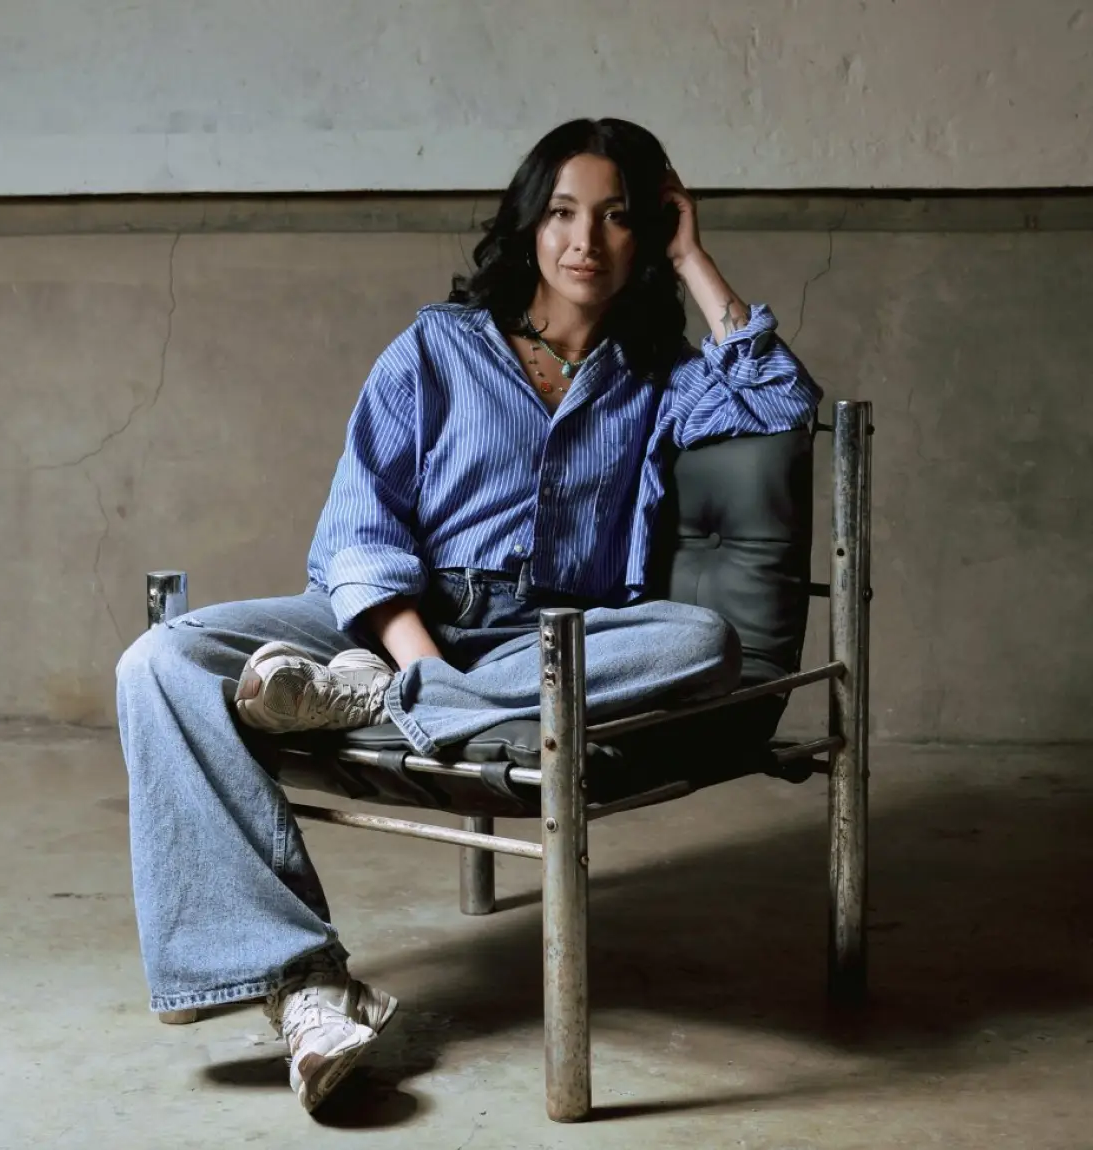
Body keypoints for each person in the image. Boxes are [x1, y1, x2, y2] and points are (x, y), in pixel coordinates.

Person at [116, 117, 821, 1115]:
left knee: (702, 640)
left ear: (647, 232)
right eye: (562, 213)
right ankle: (304, 979)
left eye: (617, 217)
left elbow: (779, 400)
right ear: (529, 225)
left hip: (541, 642)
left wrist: (693, 258)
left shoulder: (656, 376)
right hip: (385, 619)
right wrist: (417, 658)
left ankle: (368, 707)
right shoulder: (436, 346)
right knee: (158, 661)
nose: (584, 241)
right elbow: (360, 527)